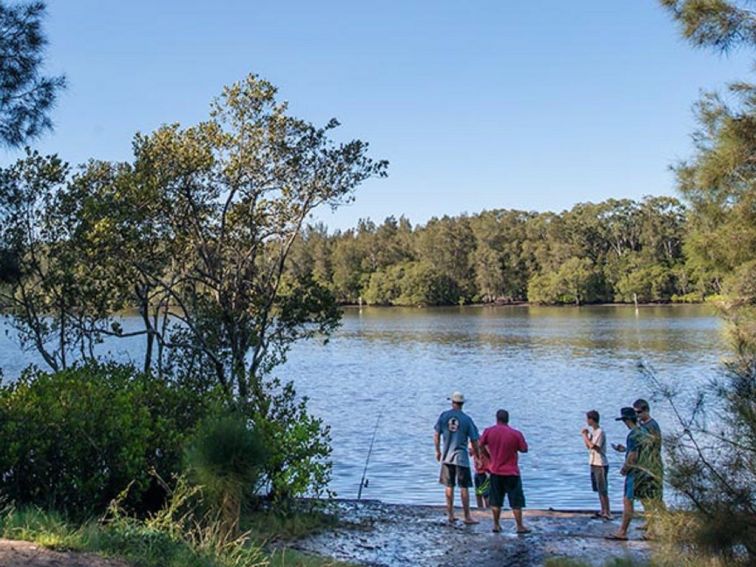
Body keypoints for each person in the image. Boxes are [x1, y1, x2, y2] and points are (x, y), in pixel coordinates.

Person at [479, 409, 531, 534]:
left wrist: (489, 457)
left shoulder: (488, 431)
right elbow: (524, 449)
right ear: (508, 419)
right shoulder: (515, 433)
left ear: (496, 419)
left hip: (495, 470)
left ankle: (496, 525)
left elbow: (480, 445)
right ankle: (519, 526)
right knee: (516, 501)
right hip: (511, 472)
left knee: (496, 499)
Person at [434, 391, 480, 524]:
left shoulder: (444, 416)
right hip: (461, 458)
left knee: (449, 486)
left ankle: (451, 514)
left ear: (452, 402)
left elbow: (436, 434)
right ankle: (467, 516)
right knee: (464, 487)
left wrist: (437, 451)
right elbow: (474, 439)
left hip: (447, 456)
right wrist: (477, 454)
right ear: (462, 404)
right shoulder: (466, 419)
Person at [606, 407, 644, 541]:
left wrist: (625, 468)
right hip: (643, 470)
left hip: (634, 472)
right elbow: (637, 451)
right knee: (643, 499)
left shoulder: (632, 434)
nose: (624, 423)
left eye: (624, 420)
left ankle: (622, 532)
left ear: (627, 420)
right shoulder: (641, 431)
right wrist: (625, 450)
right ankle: (651, 528)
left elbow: (633, 456)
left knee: (627, 501)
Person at [633, 399, 665, 531]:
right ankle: (648, 521)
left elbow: (654, 445)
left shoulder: (652, 425)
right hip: (643, 465)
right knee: (644, 496)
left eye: (639, 412)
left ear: (646, 410)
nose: (637, 415)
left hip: (653, 465)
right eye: (635, 413)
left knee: (656, 497)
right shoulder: (641, 425)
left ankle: (667, 521)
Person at [581, 410, 611, 520]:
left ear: (592, 420)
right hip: (593, 462)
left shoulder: (600, 432)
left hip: (600, 463)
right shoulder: (594, 432)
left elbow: (595, 446)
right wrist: (587, 437)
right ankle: (603, 510)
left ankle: (607, 512)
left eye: (587, 419)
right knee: (598, 488)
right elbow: (588, 446)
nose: (586, 421)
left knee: (603, 489)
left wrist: (584, 436)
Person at [470, 440, 490, 509]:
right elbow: (470, 454)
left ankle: (488, 509)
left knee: (485, 493)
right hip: (478, 472)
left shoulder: (484, 443)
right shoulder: (473, 444)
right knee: (478, 492)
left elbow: (490, 454)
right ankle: (480, 508)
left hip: (485, 471)